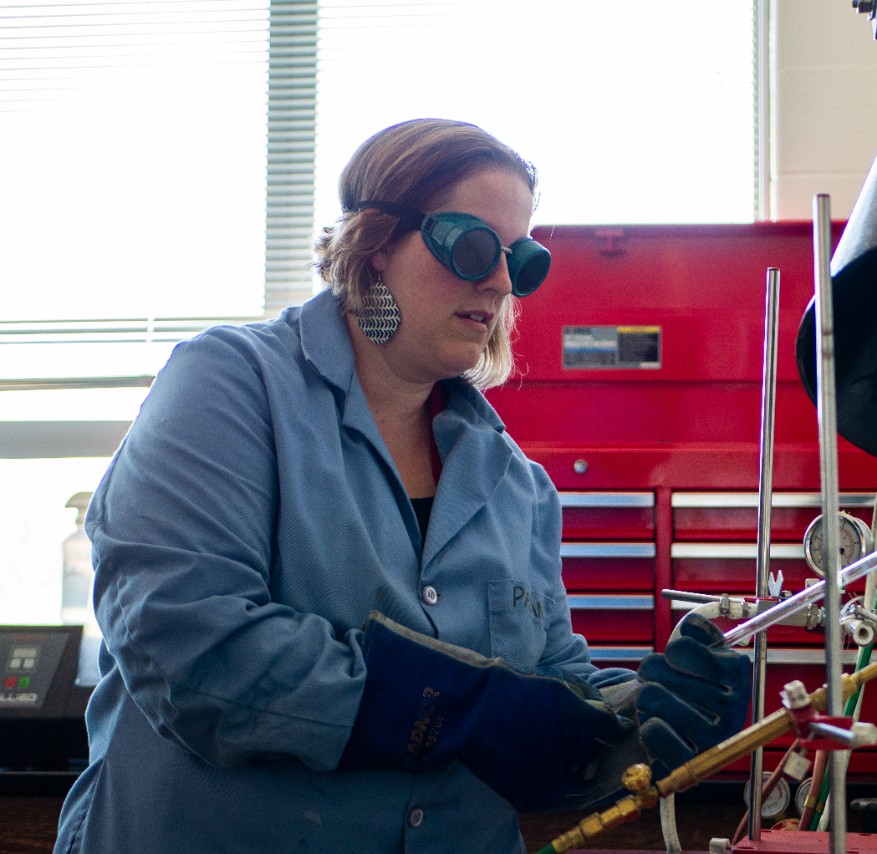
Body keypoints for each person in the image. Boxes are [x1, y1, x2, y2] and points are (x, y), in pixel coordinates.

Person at [54, 118, 750, 853]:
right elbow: (187, 646)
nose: (501, 281)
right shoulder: (231, 387)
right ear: (375, 244)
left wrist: (642, 720)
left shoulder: (517, 486)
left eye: (522, 260)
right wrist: (449, 709)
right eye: (474, 247)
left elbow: (547, 694)